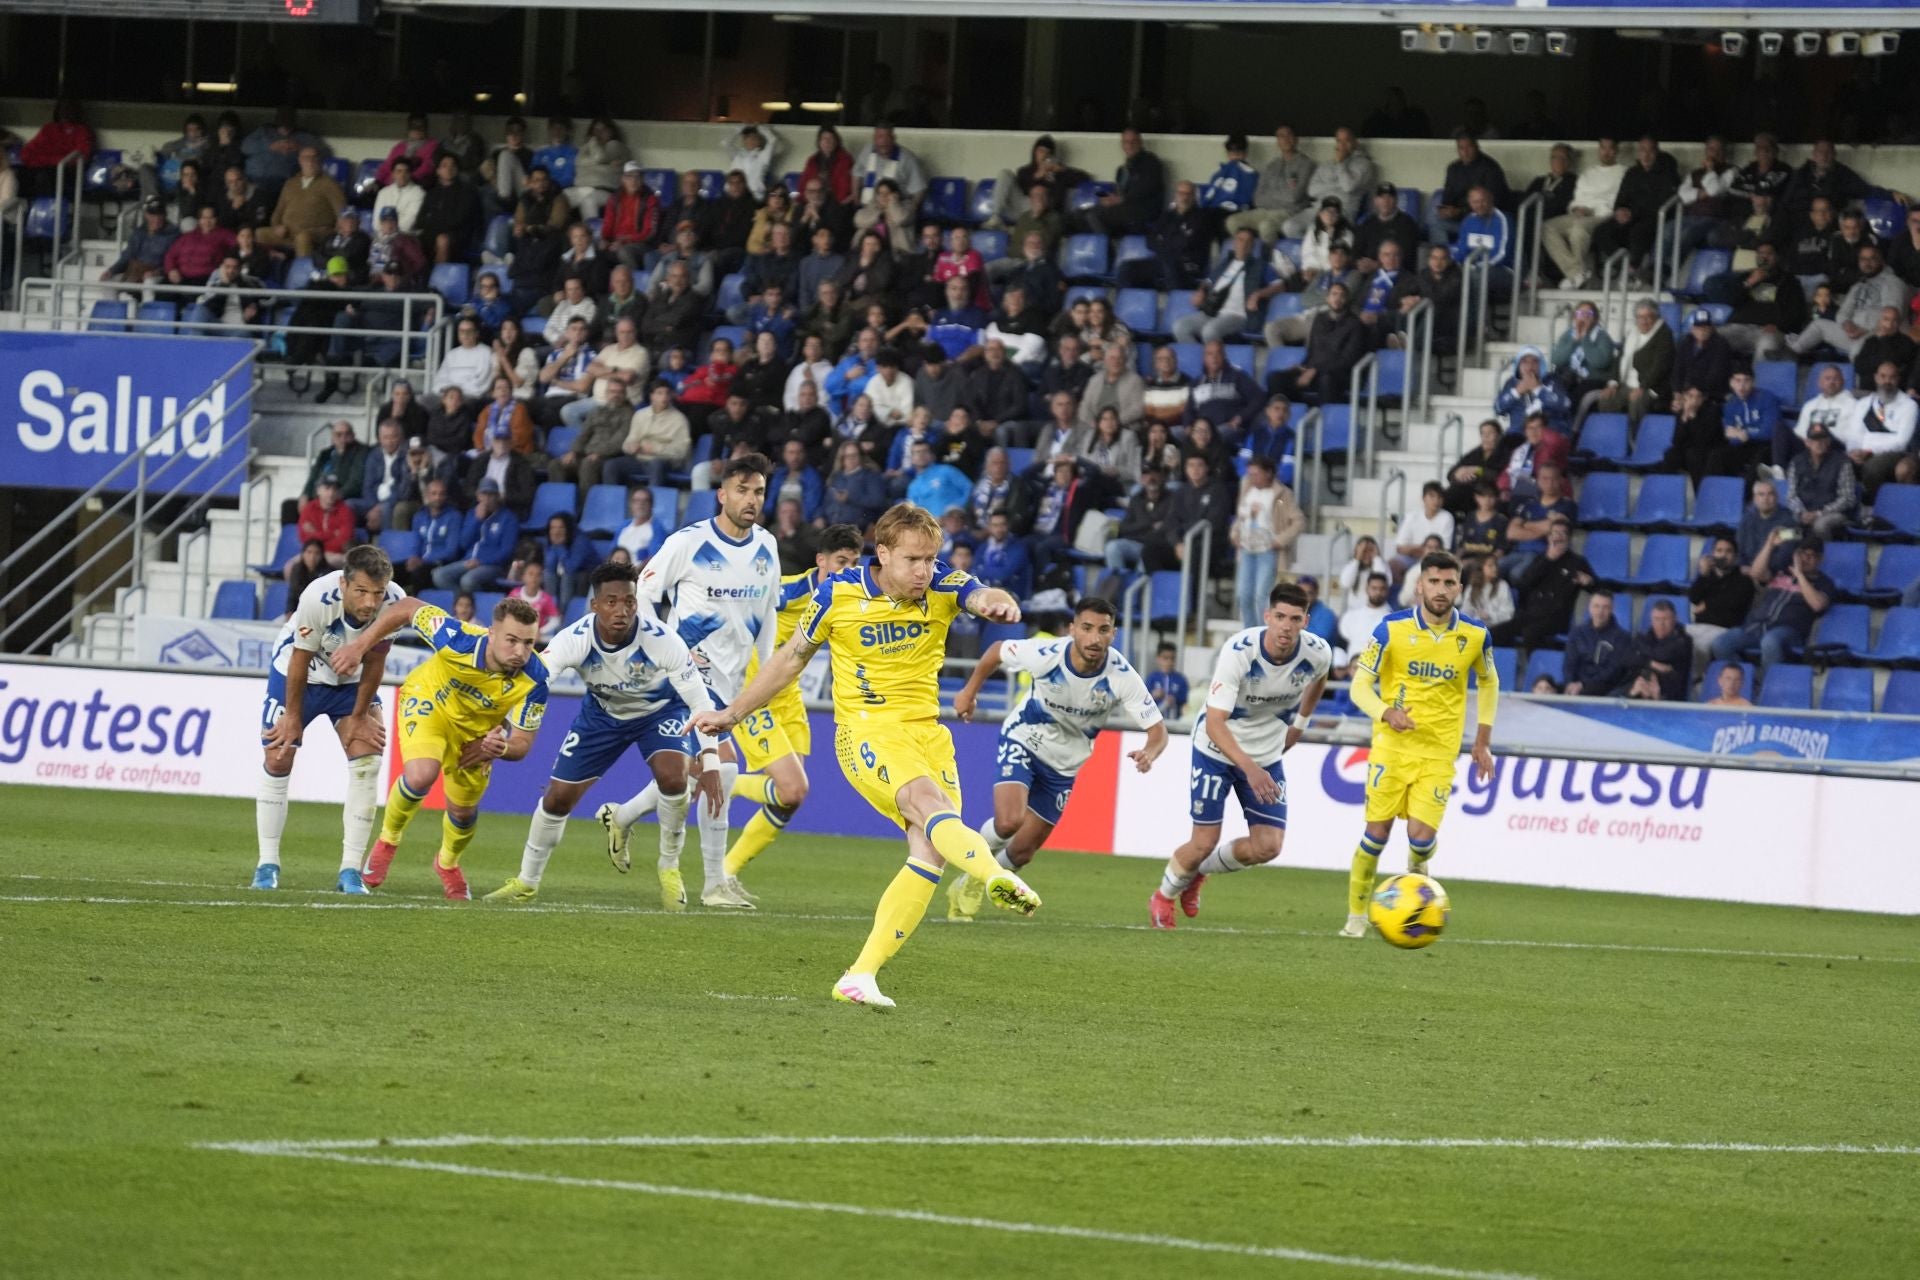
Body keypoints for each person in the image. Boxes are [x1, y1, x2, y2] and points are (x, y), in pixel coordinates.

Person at [689, 504, 1033, 1007]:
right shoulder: (838, 593)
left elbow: (980, 594)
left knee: (930, 849)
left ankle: (861, 976)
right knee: (927, 806)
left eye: (931, 559)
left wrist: (997, 603)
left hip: (928, 736)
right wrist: (732, 713)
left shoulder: (942, 584)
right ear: (884, 553)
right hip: (867, 731)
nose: (924, 570)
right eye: (914, 559)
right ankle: (993, 875)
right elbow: (790, 658)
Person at [483, 561, 723, 905]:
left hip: (660, 713)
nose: (621, 610)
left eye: (628, 601)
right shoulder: (575, 639)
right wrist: (500, 723)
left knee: (674, 777)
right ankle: (526, 882)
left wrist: (711, 762)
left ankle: (669, 868)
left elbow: (700, 701)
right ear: (594, 606)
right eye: (611, 602)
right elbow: (532, 680)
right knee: (557, 798)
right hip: (601, 717)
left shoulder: (663, 641)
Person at [602, 457, 780, 910]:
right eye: (742, 490)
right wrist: (667, 647)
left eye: (758, 491)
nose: (751, 500)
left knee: (696, 773)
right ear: (722, 494)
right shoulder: (689, 542)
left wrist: (768, 671)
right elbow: (644, 593)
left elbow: (769, 613)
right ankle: (714, 883)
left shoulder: (767, 546)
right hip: (687, 676)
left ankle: (620, 815)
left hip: (734, 680)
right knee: (722, 767)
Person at [950, 599, 1168, 920]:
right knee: (1009, 821)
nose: (1095, 638)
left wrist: (1150, 751)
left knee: (1023, 851)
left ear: (1114, 634)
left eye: (1104, 630)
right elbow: (997, 649)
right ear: (1072, 629)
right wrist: (969, 691)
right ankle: (976, 870)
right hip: (1025, 738)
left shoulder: (1120, 675)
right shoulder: (1047, 655)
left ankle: (967, 881)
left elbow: (1158, 730)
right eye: (1087, 628)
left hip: (1064, 766)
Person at [327, 596, 549, 900]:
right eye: (511, 640)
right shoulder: (456, 638)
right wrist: (359, 646)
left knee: (463, 811)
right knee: (421, 775)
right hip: (429, 701)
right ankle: (387, 842)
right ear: (491, 634)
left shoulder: (536, 679)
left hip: (477, 735)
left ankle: (447, 864)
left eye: (528, 642)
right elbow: (406, 606)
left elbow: (523, 743)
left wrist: (500, 748)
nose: (520, 651)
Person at [1149, 581, 1332, 929]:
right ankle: (1163, 895)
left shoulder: (1318, 652)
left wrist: (1300, 725)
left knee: (1268, 846)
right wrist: (1249, 768)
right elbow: (1216, 722)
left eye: (1295, 619)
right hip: (1216, 749)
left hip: (1266, 753)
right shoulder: (1240, 651)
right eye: (1280, 617)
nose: (1286, 626)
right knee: (1204, 840)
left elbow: (1320, 679)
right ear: (1267, 616)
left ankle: (1198, 873)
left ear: (1305, 622)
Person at [1342, 551, 1498, 937]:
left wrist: (1482, 740)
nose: (1441, 590)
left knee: (1421, 838)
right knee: (1375, 835)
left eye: (1449, 583)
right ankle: (1356, 917)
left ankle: (1418, 870)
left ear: (1460, 588)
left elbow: (1489, 682)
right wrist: (1385, 713)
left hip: (1440, 752)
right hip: (1392, 748)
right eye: (1434, 582)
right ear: (1419, 585)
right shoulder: (1390, 629)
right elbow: (1359, 686)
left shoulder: (1475, 635)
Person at [252, 544, 406, 894]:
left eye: (377, 593)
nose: (370, 602)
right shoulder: (316, 598)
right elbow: (299, 660)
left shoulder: (394, 602)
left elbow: (376, 661)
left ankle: (350, 871)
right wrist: (292, 716)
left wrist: (358, 716)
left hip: (351, 682)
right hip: (301, 675)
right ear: (343, 584)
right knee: (278, 755)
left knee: (368, 758)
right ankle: (267, 864)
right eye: (362, 591)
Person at [1712, 532, 1834, 673]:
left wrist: (1800, 575)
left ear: (1820, 560)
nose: (1805, 558)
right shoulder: (1781, 571)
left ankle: (1767, 688)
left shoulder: (1824, 582)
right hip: (1757, 626)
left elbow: (1817, 605)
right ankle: (1746, 682)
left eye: (1811, 555)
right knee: (1720, 644)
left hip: (1789, 632)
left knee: (1770, 642)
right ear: (1795, 554)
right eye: (1802, 553)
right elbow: (1756, 573)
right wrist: (1769, 545)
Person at [1492, 519, 1593, 650]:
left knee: (1530, 633)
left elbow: (1597, 588)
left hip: (1557, 617)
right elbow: (1524, 584)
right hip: (1532, 613)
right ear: (1548, 537)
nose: (1558, 537)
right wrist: (1548, 560)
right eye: (1555, 533)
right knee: (1493, 633)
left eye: (1563, 533)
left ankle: (1534, 668)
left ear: (1569, 538)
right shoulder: (1539, 559)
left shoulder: (1577, 562)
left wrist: (1588, 582)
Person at [1230, 455, 1299, 628]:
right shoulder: (1247, 489)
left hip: (1267, 549)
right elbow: (1241, 516)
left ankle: (1264, 629)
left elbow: (1298, 521)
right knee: (1243, 594)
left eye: (1256, 474)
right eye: (1250, 474)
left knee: (1262, 594)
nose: (1252, 478)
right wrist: (1235, 533)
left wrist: (1280, 540)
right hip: (1247, 548)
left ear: (1268, 473)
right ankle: (1249, 629)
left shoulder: (1282, 494)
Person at [1839, 360, 1917, 498]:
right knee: (1837, 461)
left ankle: (1874, 505)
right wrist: (1853, 451)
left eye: (1892, 377)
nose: (1887, 381)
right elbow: (1854, 433)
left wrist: (1869, 449)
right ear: (1876, 378)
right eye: (1883, 376)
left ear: (1898, 379)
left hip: (1896, 453)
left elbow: (1900, 442)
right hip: (1862, 451)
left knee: (1873, 467)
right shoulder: (1864, 403)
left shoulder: (1909, 405)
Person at [1227, 124, 1314, 245]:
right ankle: (1246, 256)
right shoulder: (1272, 165)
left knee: (1266, 226)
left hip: (1289, 213)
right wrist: (1284, 192)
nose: (1285, 139)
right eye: (1281, 136)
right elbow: (1258, 198)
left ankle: (1272, 259)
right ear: (1277, 141)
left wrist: (1272, 193)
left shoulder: (1306, 164)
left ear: (1296, 139)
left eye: (1289, 135)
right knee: (1233, 221)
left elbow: (1294, 197)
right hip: (1264, 211)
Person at [434, 478, 521, 591]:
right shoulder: (472, 514)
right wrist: (477, 520)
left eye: (491, 495)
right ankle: (461, 604)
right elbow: (463, 543)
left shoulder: (508, 518)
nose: (487, 499)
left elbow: (506, 551)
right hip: (468, 561)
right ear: (478, 496)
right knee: (439, 576)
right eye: (484, 494)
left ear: (498, 496)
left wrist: (481, 561)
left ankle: (472, 605)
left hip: (493, 565)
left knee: (468, 580)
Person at [1786, 423, 1860, 541]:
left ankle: (1823, 556)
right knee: (1784, 525)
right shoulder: (1796, 462)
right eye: (1815, 440)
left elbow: (1848, 498)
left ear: (1829, 441)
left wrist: (1819, 513)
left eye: (1823, 439)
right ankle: (1793, 555)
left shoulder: (1842, 462)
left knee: (1820, 526)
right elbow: (1791, 495)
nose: (1819, 443)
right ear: (1807, 443)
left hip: (1833, 513)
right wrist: (1801, 513)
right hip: (1804, 512)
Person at [1562, 591, 1635, 696]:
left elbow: (1612, 671)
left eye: (1605, 607)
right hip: (1576, 685)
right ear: (1589, 607)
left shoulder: (1622, 638)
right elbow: (1569, 664)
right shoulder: (1577, 633)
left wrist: (1583, 684)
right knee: (1546, 688)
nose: (1600, 611)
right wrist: (1569, 683)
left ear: (1612, 609)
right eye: (1596, 606)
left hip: (1604, 686)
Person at [1633, 599, 1693, 702]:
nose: (1661, 624)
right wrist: (1651, 663)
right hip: (1642, 690)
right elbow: (1626, 657)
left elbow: (1661, 654)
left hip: (1670, 696)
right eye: (1657, 619)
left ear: (1675, 619)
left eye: (1665, 619)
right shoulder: (1646, 637)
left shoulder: (1684, 641)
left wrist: (1642, 658)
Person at [1145, 642, 1190, 720]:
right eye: (1165, 658)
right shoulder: (1152, 678)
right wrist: (1154, 695)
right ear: (1158, 658)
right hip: (1153, 721)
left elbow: (1186, 702)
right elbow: (1143, 699)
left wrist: (1174, 700)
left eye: (1172, 658)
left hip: (1175, 723)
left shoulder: (1181, 680)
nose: (1169, 662)